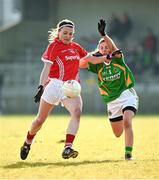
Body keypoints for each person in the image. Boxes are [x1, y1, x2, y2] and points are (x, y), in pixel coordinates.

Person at [20, 19, 91, 160]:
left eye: (70, 33)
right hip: (54, 85)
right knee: (40, 120)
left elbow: (90, 58)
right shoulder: (53, 46)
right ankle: (28, 141)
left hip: (71, 86)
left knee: (76, 112)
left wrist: (108, 56)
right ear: (58, 32)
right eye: (65, 33)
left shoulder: (76, 47)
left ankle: (67, 147)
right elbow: (46, 69)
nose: (67, 35)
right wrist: (41, 86)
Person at [80, 19, 139, 160]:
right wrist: (93, 56)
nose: (106, 49)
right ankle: (126, 147)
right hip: (112, 101)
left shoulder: (117, 58)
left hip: (126, 94)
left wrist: (104, 35)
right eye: (102, 47)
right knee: (117, 133)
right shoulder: (98, 65)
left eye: (107, 47)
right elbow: (81, 63)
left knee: (127, 122)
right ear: (99, 50)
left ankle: (128, 154)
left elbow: (114, 49)